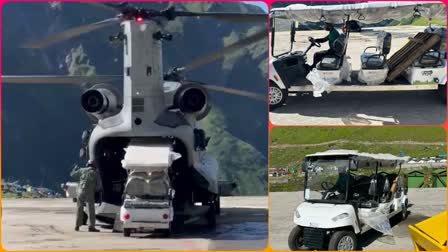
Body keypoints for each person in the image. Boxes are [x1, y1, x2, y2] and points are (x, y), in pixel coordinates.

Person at [71, 160, 100, 232]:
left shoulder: (81, 170)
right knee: (91, 209)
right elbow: (99, 186)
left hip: (80, 191)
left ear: (88, 164)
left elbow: (72, 175)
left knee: (79, 208)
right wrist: (95, 191)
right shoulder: (96, 173)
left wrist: (75, 168)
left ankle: (77, 226)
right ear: (94, 166)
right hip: (89, 192)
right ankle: (91, 227)